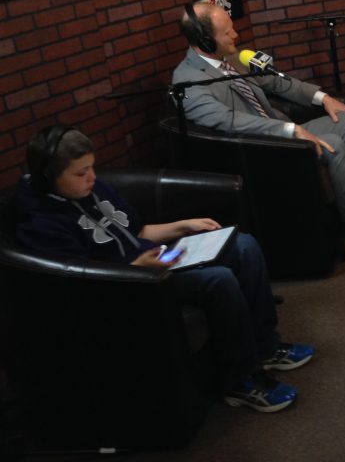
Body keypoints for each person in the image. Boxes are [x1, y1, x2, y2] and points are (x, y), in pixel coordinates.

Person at [15, 126, 312, 413]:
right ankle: (240, 381)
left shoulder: (93, 190)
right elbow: (78, 281)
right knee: (217, 280)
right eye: (81, 173)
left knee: (244, 245)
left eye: (92, 167)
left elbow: (139, 230)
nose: (92, 177)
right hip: (130, 286)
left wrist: (184, 225)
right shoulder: (41, 222)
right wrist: (135, 267)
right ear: (48, 177)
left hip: (156, 263)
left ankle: (266, 347)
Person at [173, 2, 345, 262]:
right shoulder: (188, 82)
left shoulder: (229, 57)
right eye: (227, 33)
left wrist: (324, 98)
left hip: (281, 132)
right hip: (261, 150)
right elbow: (230, 122)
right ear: (205, 41)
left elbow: (276, 81)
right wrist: (291, 129)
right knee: (333, 144)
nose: (236, 35)